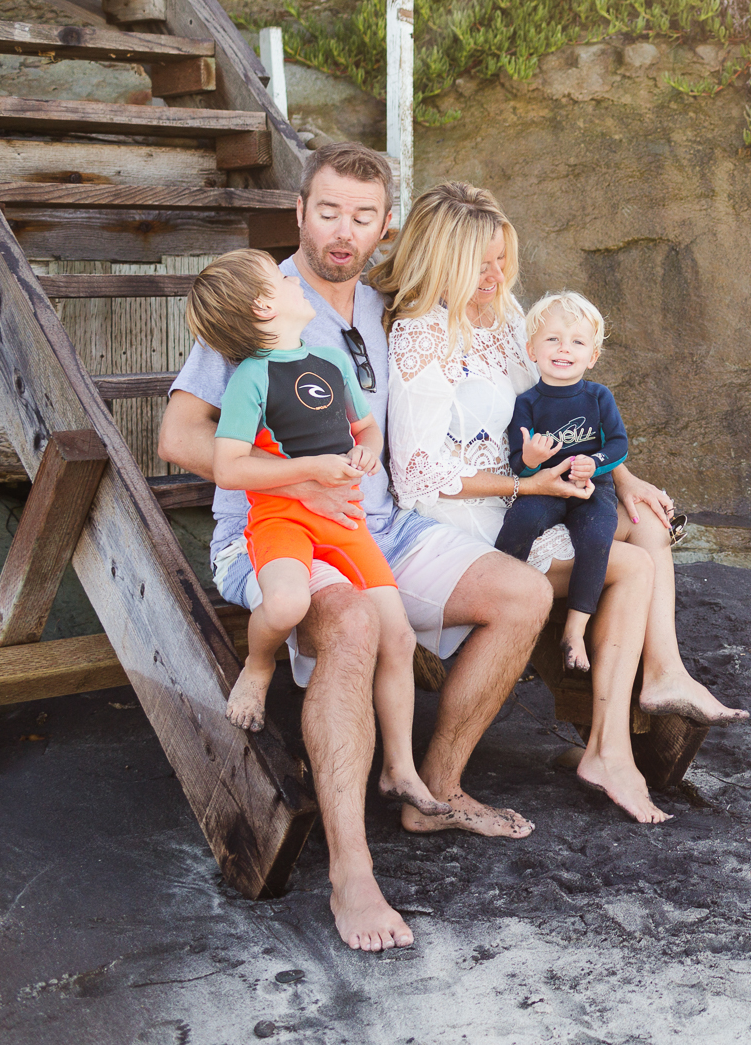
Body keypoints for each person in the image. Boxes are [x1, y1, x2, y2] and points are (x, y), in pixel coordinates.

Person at [160, 143, 573, 955]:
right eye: (326, 211)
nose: (341, 232)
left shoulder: (390, 309)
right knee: (349, 623)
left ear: (385, 226)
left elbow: (519, 378)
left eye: (361, 216)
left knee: (524, 594)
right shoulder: (262, 301)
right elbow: (177, 434)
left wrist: (616, 479)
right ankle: (352, 867)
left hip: (380, 527)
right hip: (272, 535)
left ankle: (432, 786)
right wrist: (289, 473)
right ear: (301, 212)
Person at [373, 185, 748, 740]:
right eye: (480, 265)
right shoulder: (421, 334)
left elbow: (561, 405)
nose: (497, 277)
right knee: (631, 564)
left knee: (646, 522)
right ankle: (609, 740)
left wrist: (621, 476)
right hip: (468, 513)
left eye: (502, 260)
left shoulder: (503, 315)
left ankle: (663, 675)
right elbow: (418, 476)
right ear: (441, 259)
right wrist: (528, 488)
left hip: (533, 488)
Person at [182, 248, 448, 824]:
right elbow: (229, 468)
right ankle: (258, 666)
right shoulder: (250, 377)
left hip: (345, 520)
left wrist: (366, 453)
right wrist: (307, 474)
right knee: (286, 602)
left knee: (396, 637)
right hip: (280, 519)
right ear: (263, 306)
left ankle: (400, 768)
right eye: (278, 280)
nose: (291, 279)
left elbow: (365, 426)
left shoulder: (330, 360)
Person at [497, 291, 627, 675]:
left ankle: (575, 629)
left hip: (591, 489)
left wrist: (595, 461)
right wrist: (532, 461)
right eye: (552, 338)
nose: (564, 349)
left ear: (593, 356)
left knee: (597, 538)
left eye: (577, 341)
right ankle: (505, 600)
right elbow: (518, 465)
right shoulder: (528, 403)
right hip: (546, 487)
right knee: (520, 521)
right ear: (531, 349)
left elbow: (618, 445)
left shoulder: (598, 397)